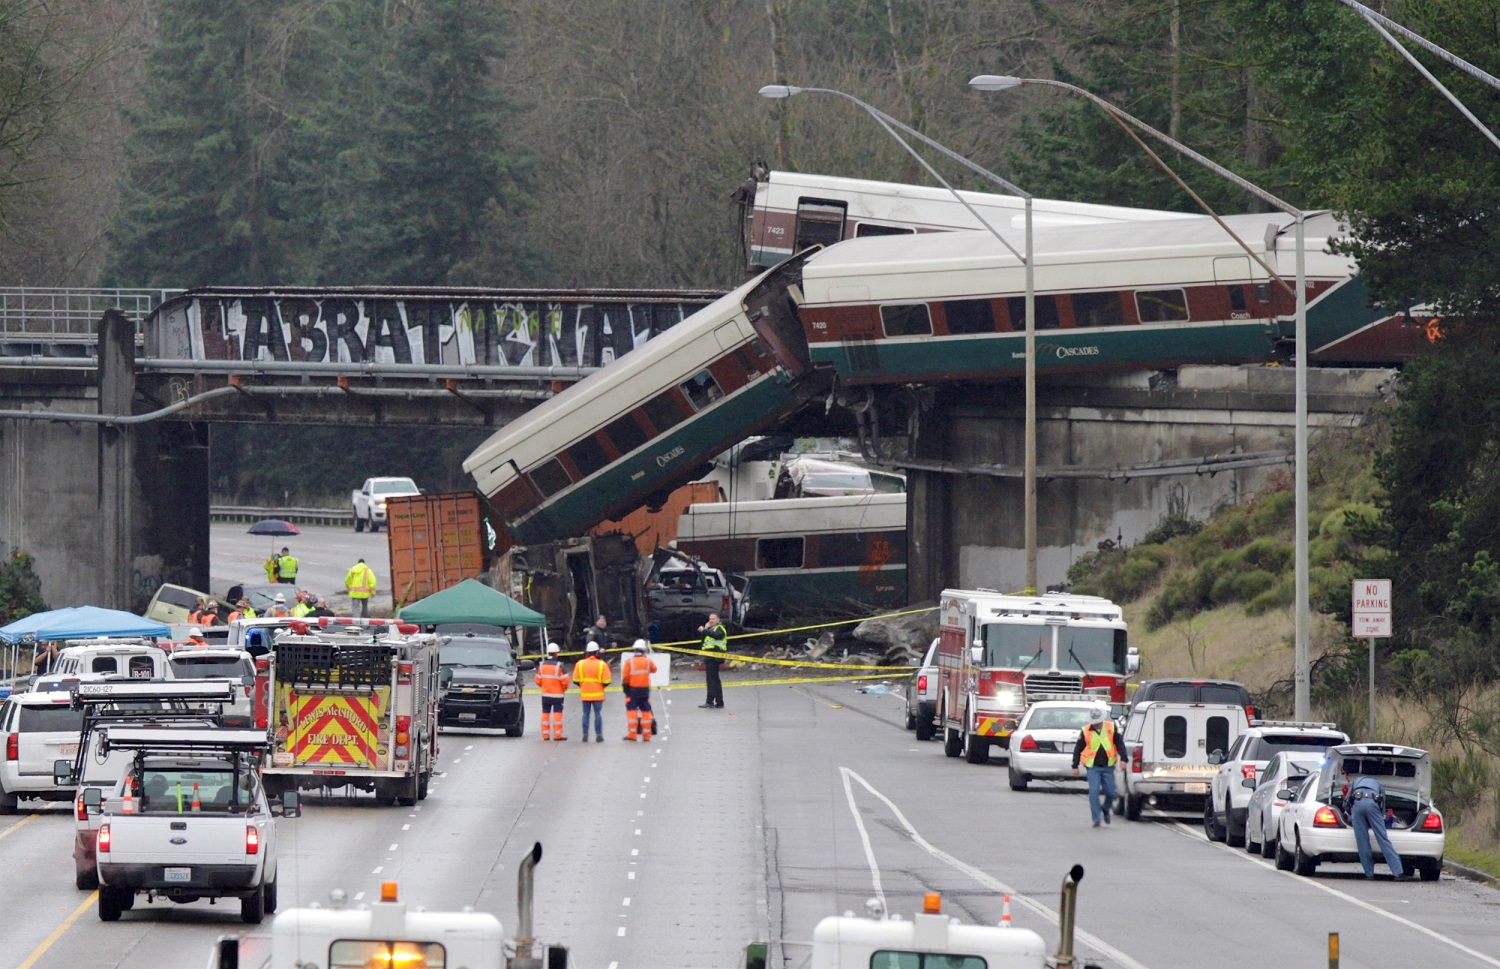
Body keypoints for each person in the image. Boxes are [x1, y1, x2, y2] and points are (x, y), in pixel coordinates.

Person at [1345, 772, 1405, 878]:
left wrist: (1350, 814)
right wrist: (1380, 819)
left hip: (1357, 806)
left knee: (1362, 841)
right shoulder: (1378, 784)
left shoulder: (1355, 782)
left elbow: (1346, 802)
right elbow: (1382, 805)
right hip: (1373, 804)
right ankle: (1398, 872)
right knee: (1382, 839)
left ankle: (1369, 874)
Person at [1071, 704, 1121, 827]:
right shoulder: (1085, 731)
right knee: (1093, 793)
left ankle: (1105, 808)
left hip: (1108, 767)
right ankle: (1096, 818)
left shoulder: (1111, 727)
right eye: (1094, 722)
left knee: (1111, 793)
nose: (1096, 724)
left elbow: (1120, 744)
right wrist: (1075, 765)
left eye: (1098, 721)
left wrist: (1124, 759)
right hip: (1093, 767)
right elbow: (1078, 749)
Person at [572, 642, 612, 743]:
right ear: (597, 652)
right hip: (598, 694)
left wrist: (583, 685)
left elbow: (575, 680)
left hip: (585, 694)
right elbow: (607, 681)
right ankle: (599, 735)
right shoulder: (602, 664)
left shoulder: (580, 664)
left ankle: (585, 735)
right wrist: (600, 686)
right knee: (597, 714)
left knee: (585, 714)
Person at [620, 640, 658, 741]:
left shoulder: (629, 662)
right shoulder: (648, 661)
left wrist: (625, 688)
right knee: (646, 711)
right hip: (645, 690)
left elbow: (625, 677)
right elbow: (654, 669)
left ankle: (632, 734)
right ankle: (647, 735)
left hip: (632, 690)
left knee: (632, 711)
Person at [534, 643, 572, 741]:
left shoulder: (542, 666)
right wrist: (564, 687)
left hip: (546, 695)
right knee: (557, 714)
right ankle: (557, 735)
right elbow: (566, 680)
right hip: (558, 695)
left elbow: (537, 680)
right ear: (556, 653)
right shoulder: (559, 666)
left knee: (545, 713)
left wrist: (545, 686)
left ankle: (545, 735)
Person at [698, 612, 727, 709]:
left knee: (713, 680)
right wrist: (705, 629)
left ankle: (713, 701)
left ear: (718, 619)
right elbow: (703, 641)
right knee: (712, 680)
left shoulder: (720, 628)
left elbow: (717, 636)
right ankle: (716, 702)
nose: (711, 620)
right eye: (710, 619)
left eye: (713, 619)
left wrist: (705, 630)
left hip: (715, 657)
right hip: (710, 657)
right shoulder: (710, 629)